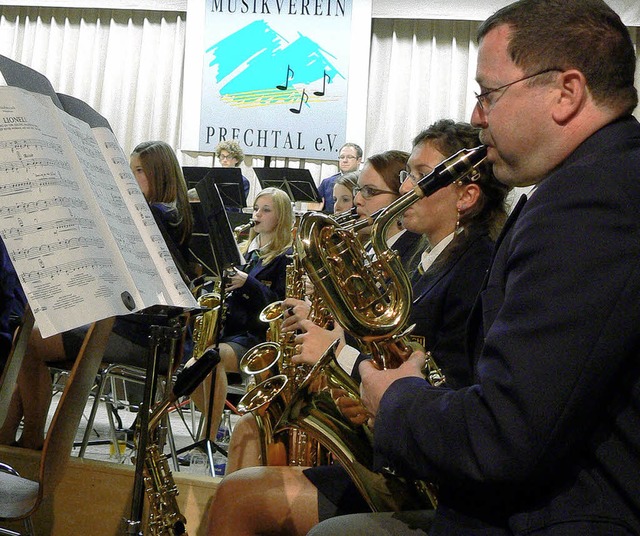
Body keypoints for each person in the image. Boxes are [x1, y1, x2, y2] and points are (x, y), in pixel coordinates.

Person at [309, 0, 640, 534]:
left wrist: (393, 397)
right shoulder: (599, 182)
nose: (476, 117)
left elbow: (502, 436)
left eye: (489, 94)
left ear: (567, 92)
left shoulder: (590, 203)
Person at [207, 120, 510, 535]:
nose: (406, 189)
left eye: (421, 177)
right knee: (239, 489)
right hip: (396, 448)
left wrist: (345, 361)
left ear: (467, 196)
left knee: (241, 498)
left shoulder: (476, 268)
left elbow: (454, 386)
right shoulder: (430, 259)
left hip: (427, 482)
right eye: (406, 176)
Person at [0, 140, 194, 450]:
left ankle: (31, 439)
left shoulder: (154, 217)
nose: (130, 178)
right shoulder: (174, 216)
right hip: (148, 333)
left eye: (139, 171)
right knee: (28, 335)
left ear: (159, 174)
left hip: (141, 337)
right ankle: (11, 436)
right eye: (129, 171)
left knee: (31, 339)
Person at [188, 187, 294, 444]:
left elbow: (279, 305)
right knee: (192, 368)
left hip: (258, 337)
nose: (257, 214)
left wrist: (248, 283)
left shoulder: (286, 257)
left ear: (281, 217)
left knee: (211, 360)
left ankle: (208, 437)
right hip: (232, 332)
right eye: (256, 208)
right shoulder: (245, 251)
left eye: (266, 210)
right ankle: (215, 426)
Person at [317, 143, 363, 213]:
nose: (345, 160)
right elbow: (316, 208)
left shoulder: (365, 182)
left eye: (349, 157)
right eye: (342, 157)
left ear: (359, 160)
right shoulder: (326, 183)